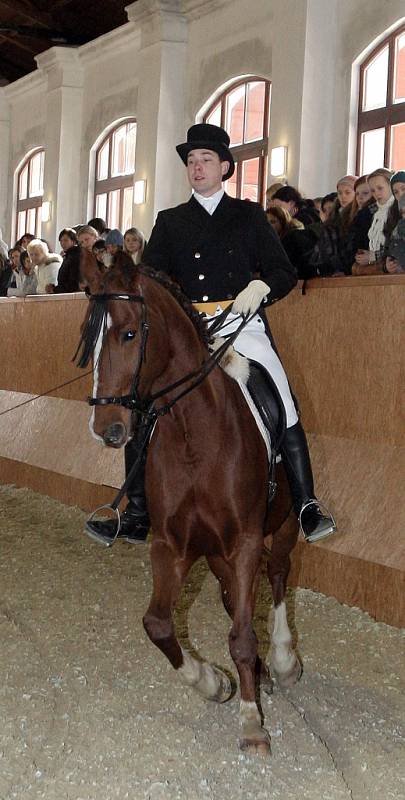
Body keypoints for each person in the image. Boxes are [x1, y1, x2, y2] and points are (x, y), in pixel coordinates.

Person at [87, 122, 336, 547]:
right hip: (191, 332)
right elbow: (152, 281)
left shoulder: (248, 215)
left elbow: (283, 273)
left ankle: (307, 503)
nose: (196, 167)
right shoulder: (170, 221)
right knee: (143, 401)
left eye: (204, 160)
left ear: (224, 167)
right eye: (190, 161)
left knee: (282, 395)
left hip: (240, 324)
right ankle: (136, 511)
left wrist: (260, 288)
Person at [353, 168, 394, 274]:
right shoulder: (372, 211)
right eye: (373, 191)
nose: (377, 193)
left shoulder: (398, 210)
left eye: (380, 188)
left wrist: (373, 256)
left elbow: (396, 244)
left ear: (391, 186)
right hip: (376, 266)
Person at [266, 205, 318, 279]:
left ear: (282, 222)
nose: (269, 226)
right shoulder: (274, 240)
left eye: (273, 222)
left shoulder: (290, 239)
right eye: (267, 223)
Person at [46, 228, 82, 294]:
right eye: (61, 241)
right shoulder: (68, 256)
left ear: (73, 241)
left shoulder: (75, 256)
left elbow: (73, 282)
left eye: (66, 240)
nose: (62, 243)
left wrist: (55, 290)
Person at [384, 170, 405, 274]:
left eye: (404, 189)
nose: (400, 194)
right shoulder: (393, 218)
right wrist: (388, 264)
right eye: (396, 192)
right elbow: (388, 248)